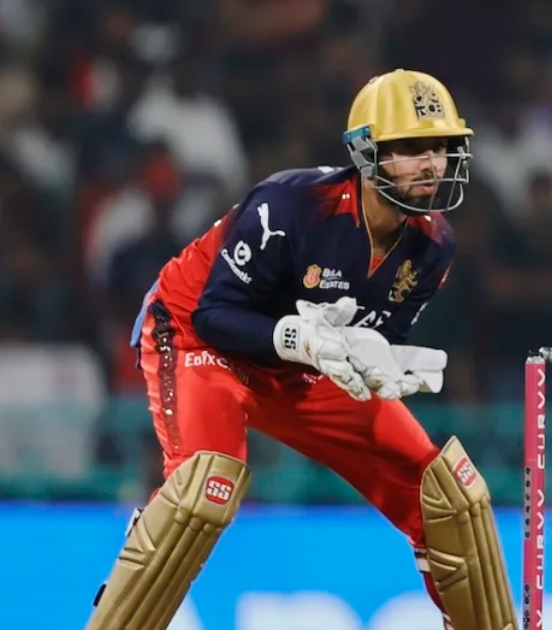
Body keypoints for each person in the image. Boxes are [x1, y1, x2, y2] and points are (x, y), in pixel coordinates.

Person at [85, 69, 517, 630]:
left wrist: (380, 358)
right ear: (366, 153)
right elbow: (215, 314)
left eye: (441, 148)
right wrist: (295, 337)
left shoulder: (433, 247)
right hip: (199, 338)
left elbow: (377, 336)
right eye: (413, 149)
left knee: (449, 498)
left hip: (303, 365)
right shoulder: (291, 205)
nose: (433, 165)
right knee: (202, 493)